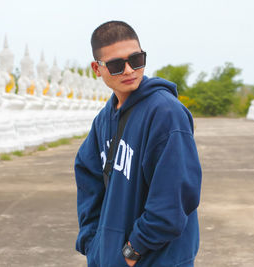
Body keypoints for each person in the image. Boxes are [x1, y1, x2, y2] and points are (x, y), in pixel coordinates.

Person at [74, 21, 202, 267]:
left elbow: (174, 197)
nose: (129, 70)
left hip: (158, 259)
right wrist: (93, 242)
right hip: (111, 258)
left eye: (136, 59)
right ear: (96, 68)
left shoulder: (166, 113)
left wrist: (134, 250)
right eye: (115, 65)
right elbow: (87, 178)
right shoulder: (104, 119)